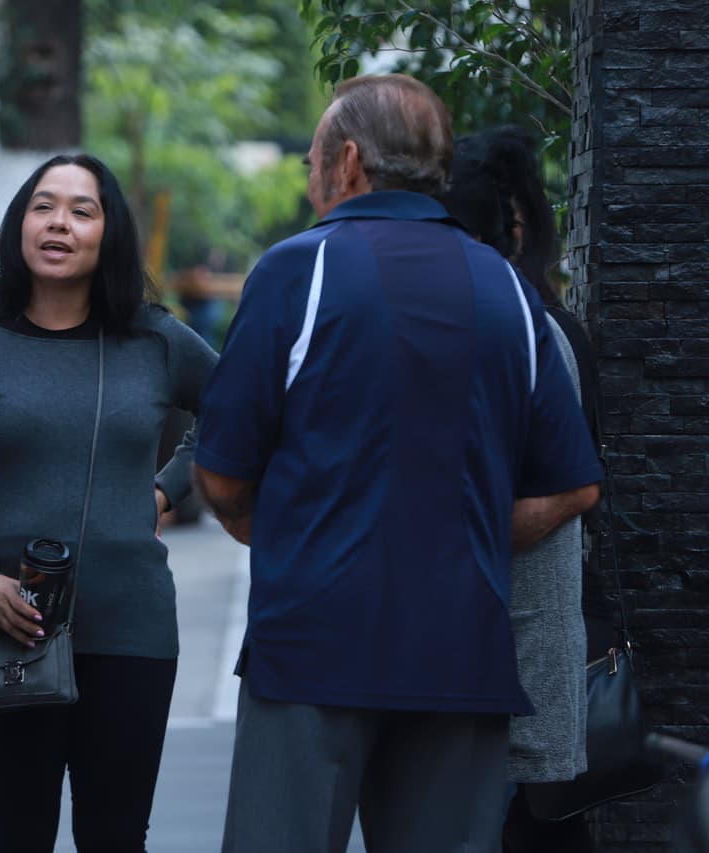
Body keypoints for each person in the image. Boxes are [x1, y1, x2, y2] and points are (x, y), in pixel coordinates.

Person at [193, 74, 603, 853]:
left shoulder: (299, 270)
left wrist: (275, 527)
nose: (310, 178)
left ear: (348, 162)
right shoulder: (509, 290)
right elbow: (572, 485)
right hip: (462, 656)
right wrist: (457, 533)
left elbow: (221, 473)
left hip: (313, 650)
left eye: (312, 160)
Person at [0, 153, 218, 852]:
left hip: (132, 632)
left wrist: (166, 488)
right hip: (2, 634)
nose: (59, 223)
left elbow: (237, 412)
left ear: (110, 233)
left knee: (116, 836)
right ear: (19, 222)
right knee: (14, 835)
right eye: (43, 206)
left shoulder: (153, 338)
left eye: (82, 211)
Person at [443, 128, 608, 853]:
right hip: (508, 658)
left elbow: (576, 488)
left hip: (511, 660)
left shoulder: (531, 335)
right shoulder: (529, 323)